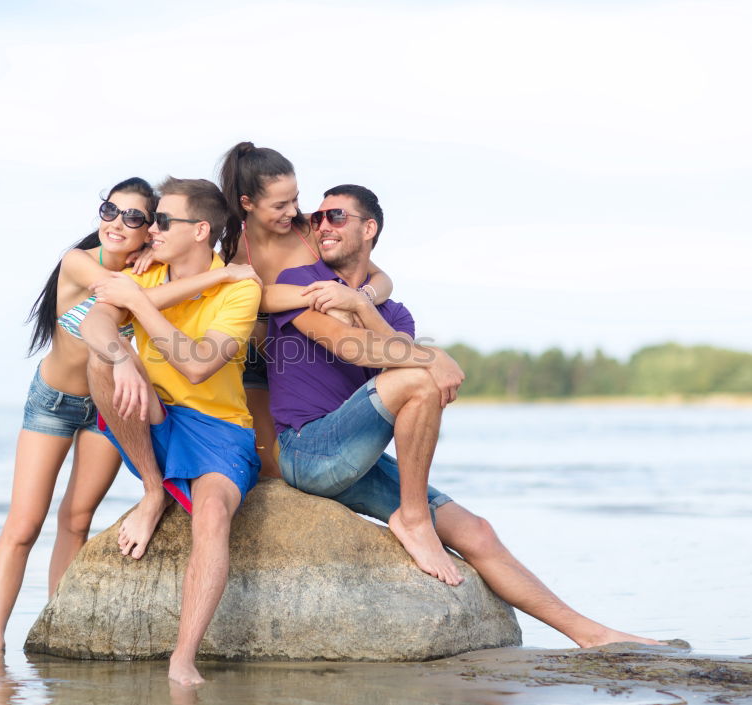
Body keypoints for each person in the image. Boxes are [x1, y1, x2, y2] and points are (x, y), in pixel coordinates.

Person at [266, 183, 659, 648]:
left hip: (356, 459)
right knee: (419, 376)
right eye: (317, 218)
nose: (321, 226)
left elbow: (393, 353)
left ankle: (594, 635)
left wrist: (363, 304)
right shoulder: (303, 285)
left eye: (335, 217)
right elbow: (349, 346)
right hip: (306, 450)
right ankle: (413, 519)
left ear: (369, 229)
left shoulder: (395, 312)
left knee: (478, 531)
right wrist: (429, 357)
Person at [0, 177, 258, 653]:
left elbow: (169, 334)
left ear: (157, 229)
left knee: (77, 518)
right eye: (110, 211)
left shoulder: (146, 269)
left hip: (111, 408)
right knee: (24, 524)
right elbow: (92, 317)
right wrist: (119, 355)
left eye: (139, 218)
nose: (120, 224)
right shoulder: (89, 262)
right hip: (57, 399)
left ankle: (58, 621)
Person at [81, 177, 262, 686]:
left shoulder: (241, 285)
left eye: (163, 221)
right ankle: (153, 490)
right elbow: (94, 325)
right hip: (158, 414)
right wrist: (120, 356)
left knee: (211, 515)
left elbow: (199, 366)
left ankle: (183, 659)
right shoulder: (147, 268)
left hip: (221, 429)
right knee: (100, 362)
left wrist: (138, 305)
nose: (152, 229)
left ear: (201, 230)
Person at [217, 141, 395, 478]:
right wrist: (322, 293)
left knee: (317, 459)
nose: (293, 210)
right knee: (271, 469)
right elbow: (258, 297)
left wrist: (361, 297)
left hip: (317, 359)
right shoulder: (234, 250)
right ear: (248, 203)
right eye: (280, 204)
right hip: (258, 361)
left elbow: (383, 278)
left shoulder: (312, 229)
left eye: (296, 198)